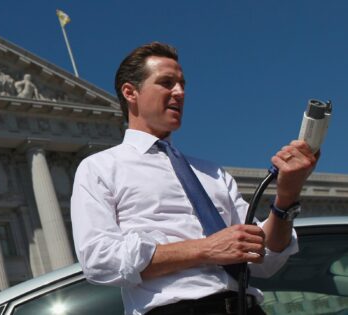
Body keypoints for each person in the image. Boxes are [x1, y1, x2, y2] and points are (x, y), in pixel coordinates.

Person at [71, 42, 318, 315]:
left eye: (182, 84)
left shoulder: (213, 172)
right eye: (166, 83)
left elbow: (266, 260)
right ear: (130, 92)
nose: (180, 92)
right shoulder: (100, 167)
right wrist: (205, 249)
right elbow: (99, 260)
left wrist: (286, 196)